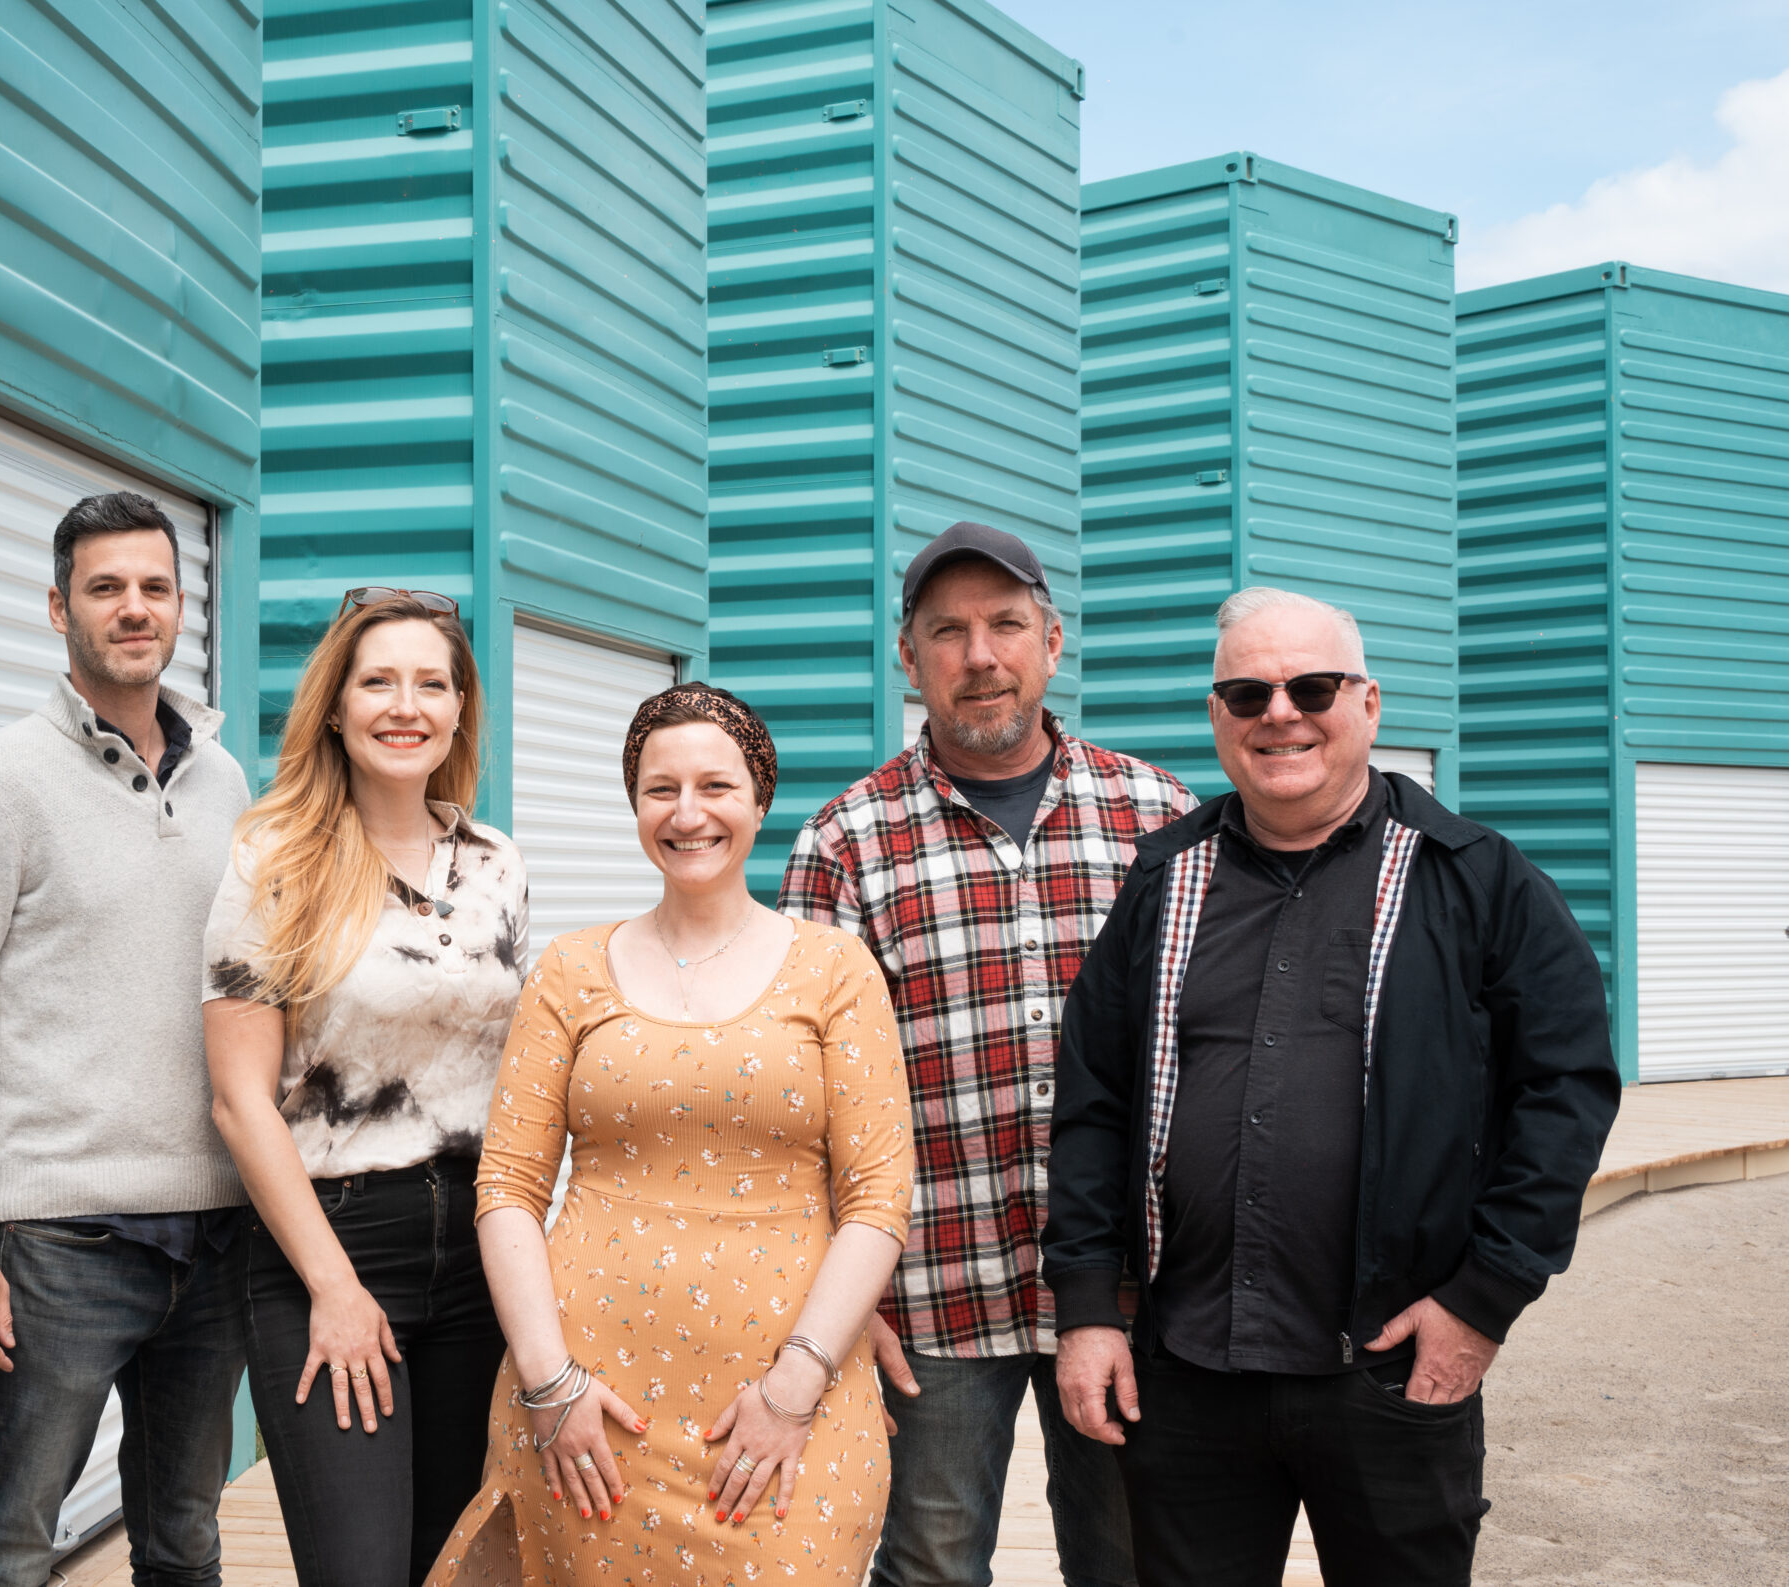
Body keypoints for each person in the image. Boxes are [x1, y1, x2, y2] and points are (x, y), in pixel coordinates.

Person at [1043, 586, 1621, 1586]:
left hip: (1389, 1369)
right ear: (1218, 714)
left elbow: (1565, 1090)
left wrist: (1483, 1298)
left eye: (1311, 685)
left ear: (1367, 705)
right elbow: (1092, 1102)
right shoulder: (1161, 882)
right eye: (1245, 692)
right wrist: (1089, 1308)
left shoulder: (1477, 880)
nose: (1279, 712)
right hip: (1186, 1376)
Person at [429, 683, 916, 1587]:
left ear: (759, 797)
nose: (688, 813)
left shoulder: (836, 971)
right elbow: (507, 1189)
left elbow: (879, 1200)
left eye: (716, 786)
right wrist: (549, 1384)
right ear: (635, 804)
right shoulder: (572, 970)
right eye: (661, 789)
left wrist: (791, 1393)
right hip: (588, 1417)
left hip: (788, 1417)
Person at [778, 522, 1191, 1587]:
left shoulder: (1158, 819)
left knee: (1135, 1557)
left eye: (1006, 625)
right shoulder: (845, 842)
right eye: (947, 631)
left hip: (1128, 1290)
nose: (980, 654)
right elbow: (803, 1091)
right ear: (907, 659)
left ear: (1052, 642)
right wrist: (835, 1290)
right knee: (929, 1564)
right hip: (925, 1288)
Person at [0, 491, 254, 1587]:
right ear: (59, 609)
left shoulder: (226, 782)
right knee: (6, 1549)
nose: (133, 608)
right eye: (105, 589)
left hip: (216, 1233)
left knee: (185, 1544)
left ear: (181, 605)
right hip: (54, 1245)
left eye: (154, 587)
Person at [202, 588, 529, 1587]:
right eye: (377, 681)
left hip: (475, 1248)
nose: (406, 705)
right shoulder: (278, 861)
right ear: (335, 707)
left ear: (461, 708)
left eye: (432, 683)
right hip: (330, 1244)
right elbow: (239, 1100)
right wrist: (332, 1288)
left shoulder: (495, 864)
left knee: (451, 1562)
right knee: (359, 1570)